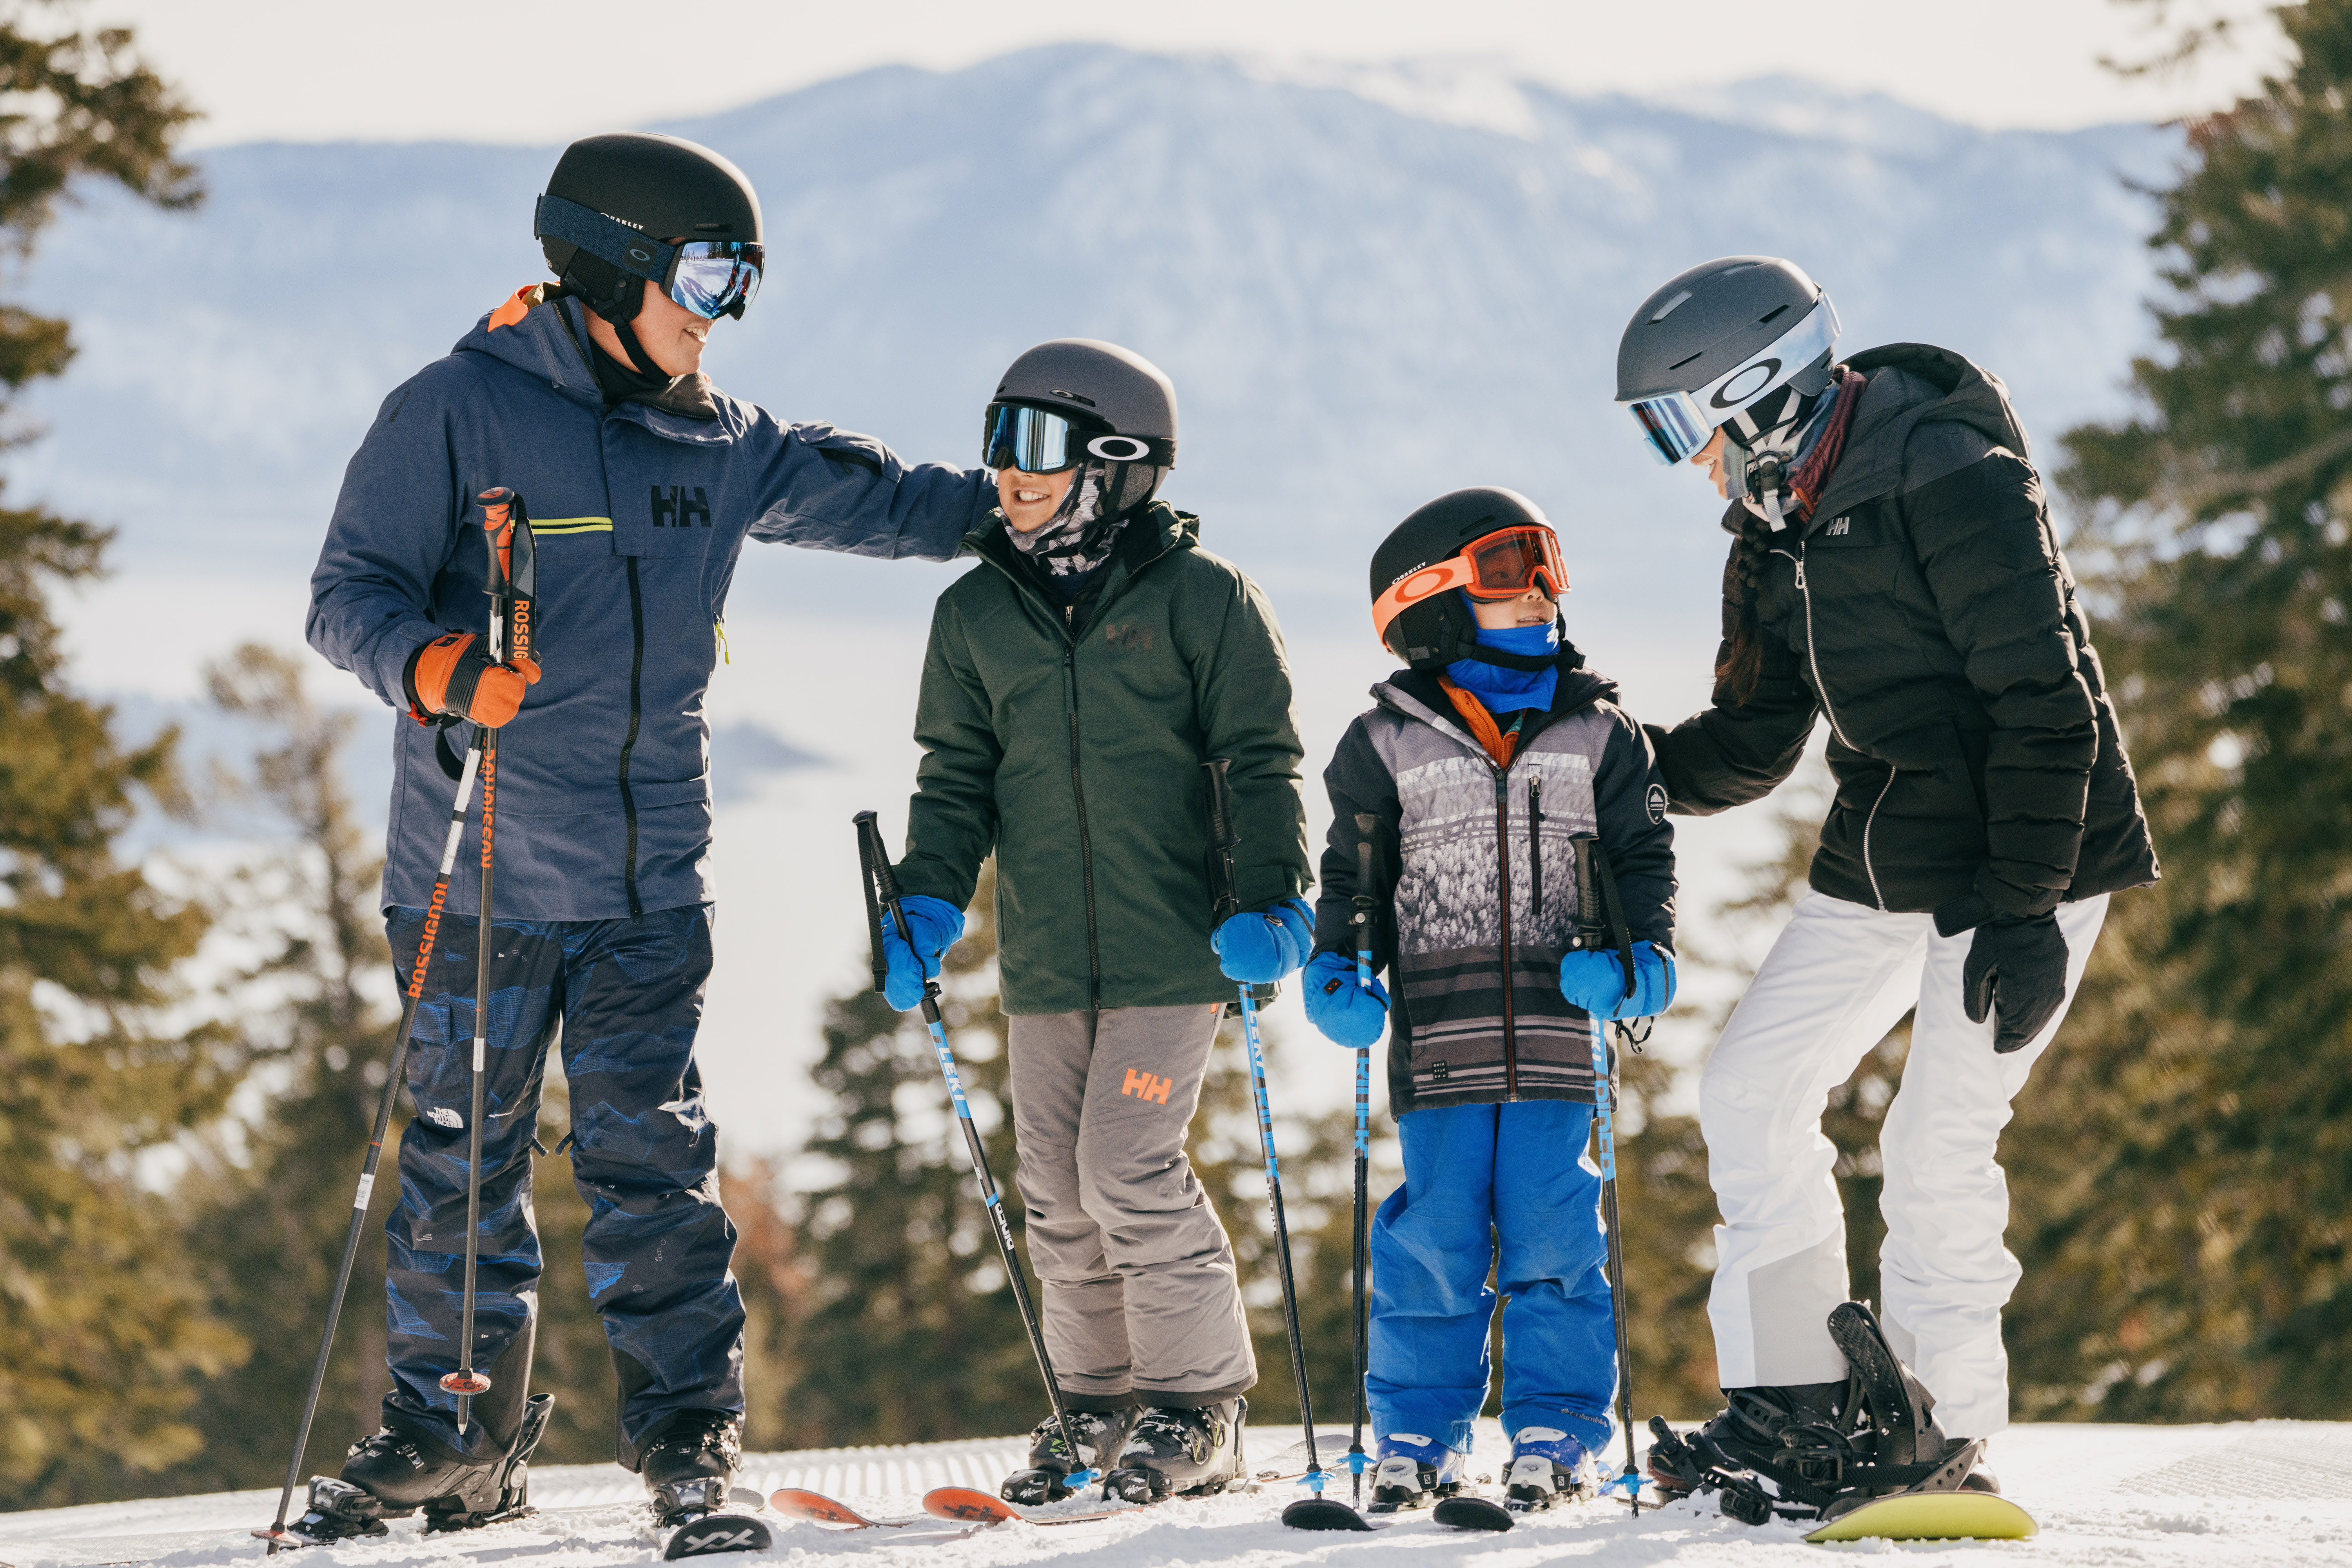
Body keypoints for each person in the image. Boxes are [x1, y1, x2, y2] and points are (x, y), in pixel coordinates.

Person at [303, 131, 995, 1529]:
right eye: (703, 276)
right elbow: (346, 596)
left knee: (652, 1164)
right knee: (461, 1163)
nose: (721, 312)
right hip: (480, 873)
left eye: (741, 282)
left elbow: (889, 502)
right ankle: (450, 1438)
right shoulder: (453, 411)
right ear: (611, 265)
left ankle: (688, 1442)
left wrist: (1029, 512)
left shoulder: (717, 439)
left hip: (647, 885)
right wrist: (435, 669)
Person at [1614, 256, 2159, 1511]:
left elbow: (2047, 705)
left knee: (1934, 1141)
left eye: (1682, 427)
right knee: (1752, 1087)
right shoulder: (1772, 527)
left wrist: (2023, 913)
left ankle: (1944, 1438)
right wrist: (1616, 772)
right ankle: (1798, 1407)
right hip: (1890, 849)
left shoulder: (1951, 472)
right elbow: (1754, 737)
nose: (1687, 462)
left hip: (2032, 853)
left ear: (1754, 392)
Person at [876, 338, 1313, 1504]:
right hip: (1047, 955)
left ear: (1118, 463)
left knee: (1127, 1167)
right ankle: (1100, 1407)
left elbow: (1260, 759)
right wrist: (927, 891)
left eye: (1035, 448)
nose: (1004, 473)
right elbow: (954, 777)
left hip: (1178, 947)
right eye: (996, 440)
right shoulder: (975, 614)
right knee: (1056, 1192)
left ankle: (1197, 1407)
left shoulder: (1204, 599)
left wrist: (1275, 900)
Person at [1299, 488, 1676, 1512]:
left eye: (1547, 563)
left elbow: (1646, 862)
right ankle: (1416, 1434)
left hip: (1559, 1035)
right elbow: (1353, 875)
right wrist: (1338, 967)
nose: (1542, 590)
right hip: (1439, 1041)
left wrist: (1647, 960)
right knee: (1437, 1238)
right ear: (1428, 604)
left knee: (1558, 1237)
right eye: (1510, 571)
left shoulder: (1602, 734)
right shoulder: (1382, 744)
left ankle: (1557, 1433)